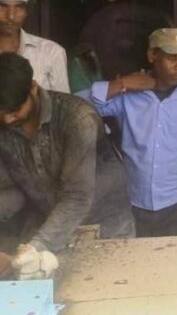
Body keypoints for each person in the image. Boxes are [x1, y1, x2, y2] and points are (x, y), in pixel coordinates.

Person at [0, 53, 134, 279]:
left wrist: (36, 248)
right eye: (1, 114)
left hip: (105, 229)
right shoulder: (4, 125)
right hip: (49, 226)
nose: (7, 120)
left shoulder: (78, 119)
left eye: (14, 112)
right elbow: (12, 189)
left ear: (33, 88)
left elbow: (77, 197)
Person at [90, 28, 177, 237]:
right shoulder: (128, 95)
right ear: (152, 56)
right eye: (172, 58)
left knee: (173, 256)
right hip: (132, 201)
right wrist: (123, 83)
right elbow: (77, 105)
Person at [0, 0, 69, 92]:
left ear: (26, 12)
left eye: (19, 7)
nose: (11, 16)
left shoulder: (52, 52)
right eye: (3, 6)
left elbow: (62, 101)